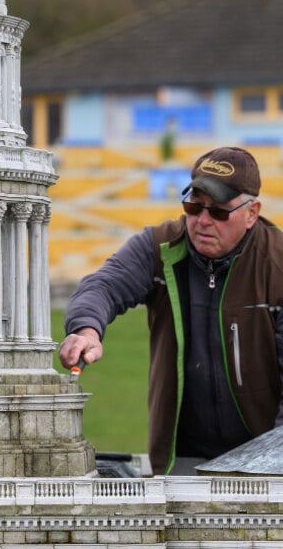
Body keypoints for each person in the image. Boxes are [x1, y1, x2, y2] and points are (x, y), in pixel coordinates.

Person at [59, 146, 283, 476]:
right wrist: (86, 329)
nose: (203, 221)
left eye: (219, 212)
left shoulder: (277, 263)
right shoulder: (159, 246)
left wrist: (272, 462)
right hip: (181, 458)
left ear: (252, 213)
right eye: (194, 206)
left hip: (264, 463)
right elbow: (103, 285)